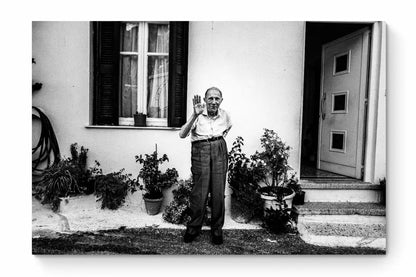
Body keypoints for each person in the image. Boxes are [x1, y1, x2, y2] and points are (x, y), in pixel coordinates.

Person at [179, 87, 232, 245]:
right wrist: (194, 115)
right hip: (200, 150)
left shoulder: (225, 115)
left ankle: (216, 229)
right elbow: (182, 134)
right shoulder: (197, 114)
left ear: (221, 100)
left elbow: (227, 129)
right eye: (210, 98)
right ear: (205, 99)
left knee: (218, 191)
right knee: (199, 192)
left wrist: (216, 143)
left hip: (219, 149)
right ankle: (194, 227)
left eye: (217, 98)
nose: (214, 102)